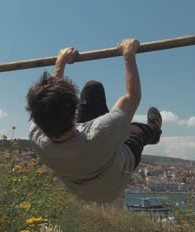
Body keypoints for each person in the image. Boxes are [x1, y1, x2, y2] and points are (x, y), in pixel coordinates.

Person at [26, 39, 162, 203]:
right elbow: (132, 96)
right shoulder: (103, 130)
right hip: (115, 182)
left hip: (83, 190)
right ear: (74, 110)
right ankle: (155, 129)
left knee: (93, 88)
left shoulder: (36, 138)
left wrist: (60, 63)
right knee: (137, 130)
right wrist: (129, 54)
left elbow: (50, 101)